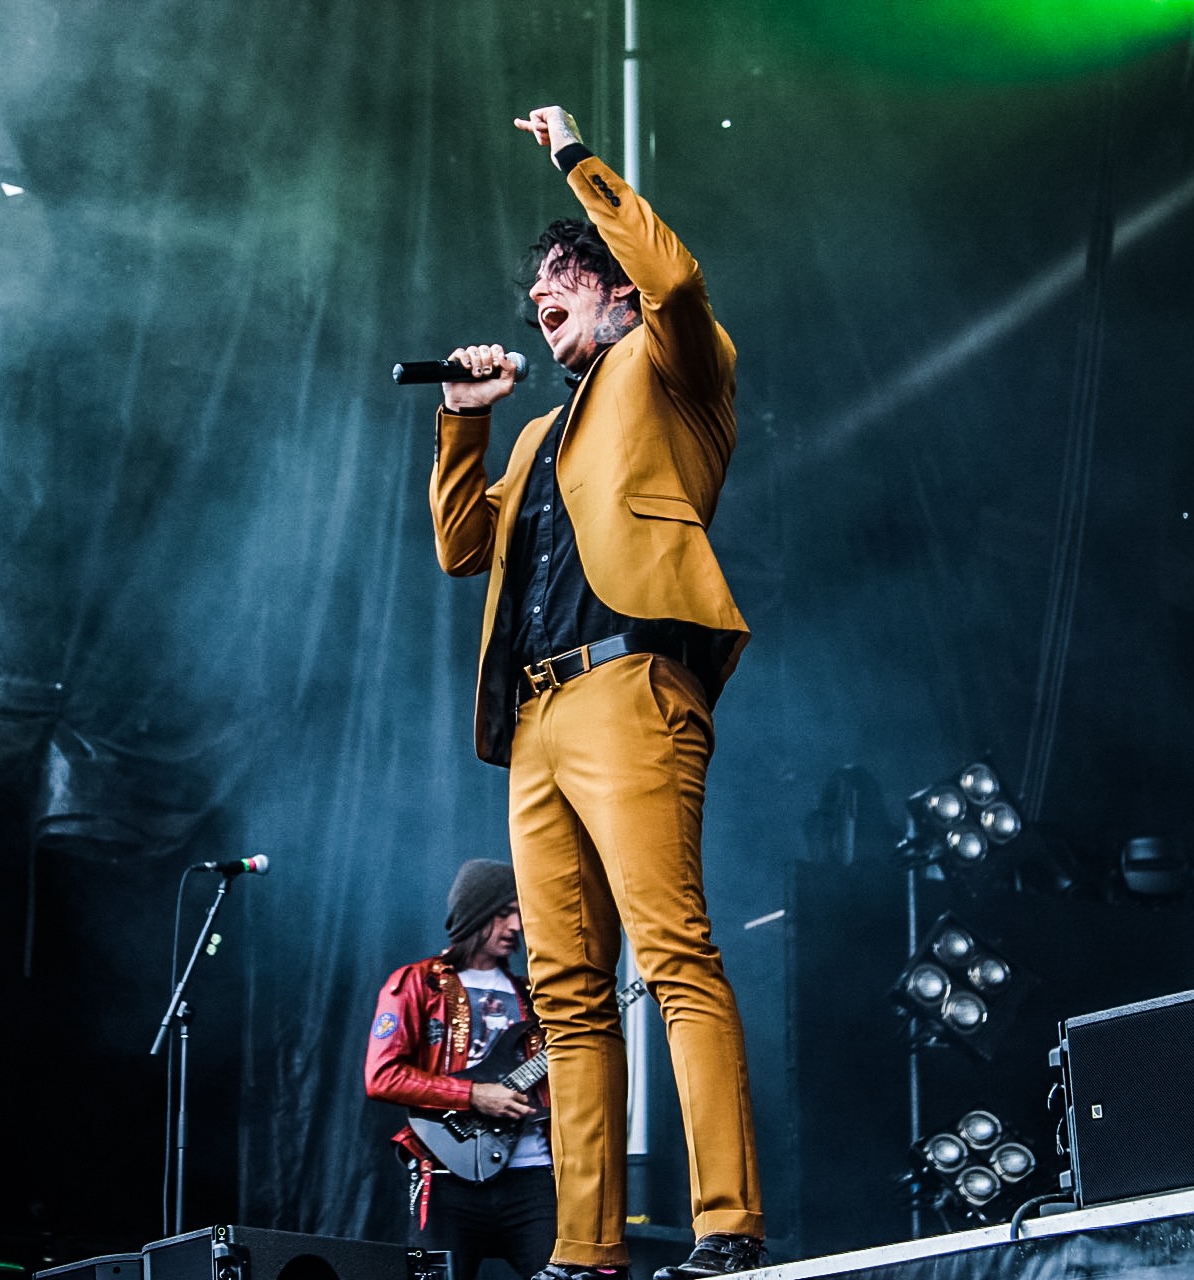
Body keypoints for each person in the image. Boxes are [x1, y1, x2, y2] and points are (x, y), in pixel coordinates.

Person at [426, 106, 766, 1280]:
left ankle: (727, 1224)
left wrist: (575, 157)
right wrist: (462, 423)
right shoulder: (535, 437)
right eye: (534, 288)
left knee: (671, 950)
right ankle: (586, 1248)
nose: (539, 297)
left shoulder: (677, 364)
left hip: (631, 684)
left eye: (563, 276)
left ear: (615, 288)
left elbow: (676, 277)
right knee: (566, 993)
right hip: (536, 719)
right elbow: (461, 546)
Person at [366, 859, 558, 1280]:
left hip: (532, 1175)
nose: (516, 926)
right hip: (445, 1174)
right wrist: (473, 1095)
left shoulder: (534, 995)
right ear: (475, 913)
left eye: (520, 913)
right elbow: (381, 1076)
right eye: (504, 913)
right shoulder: (417, 983)